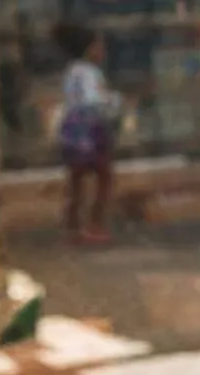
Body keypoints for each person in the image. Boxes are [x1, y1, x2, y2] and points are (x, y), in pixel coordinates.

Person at [54, 20, 121, 245]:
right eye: (98, 45)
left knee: (77, 181)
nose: (102, 50)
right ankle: (95, 224)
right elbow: (93, 101)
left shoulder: (71, 71)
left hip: (73, 132)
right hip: (91, 131)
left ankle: (73, 226)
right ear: (88, 48)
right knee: (104, 177)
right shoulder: (90, 73)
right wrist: (114, 102)